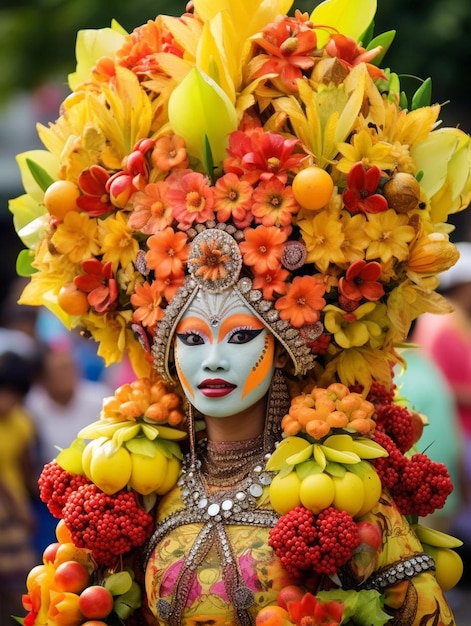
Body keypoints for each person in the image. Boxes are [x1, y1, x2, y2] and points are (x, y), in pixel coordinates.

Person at [9, 0, 471, 624]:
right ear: (165, 352)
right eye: (193, 340)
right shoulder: (138, 490)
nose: (215, 361)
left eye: (241, 334)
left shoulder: (346, 503)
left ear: (287, 343)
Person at [0, 350, 38, 625]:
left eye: (14, 394)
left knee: (18, 586)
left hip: (13, 514)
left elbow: (27, 471)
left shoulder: (22, 422)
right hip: (7, 510)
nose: (7, 401)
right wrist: (19, 508)